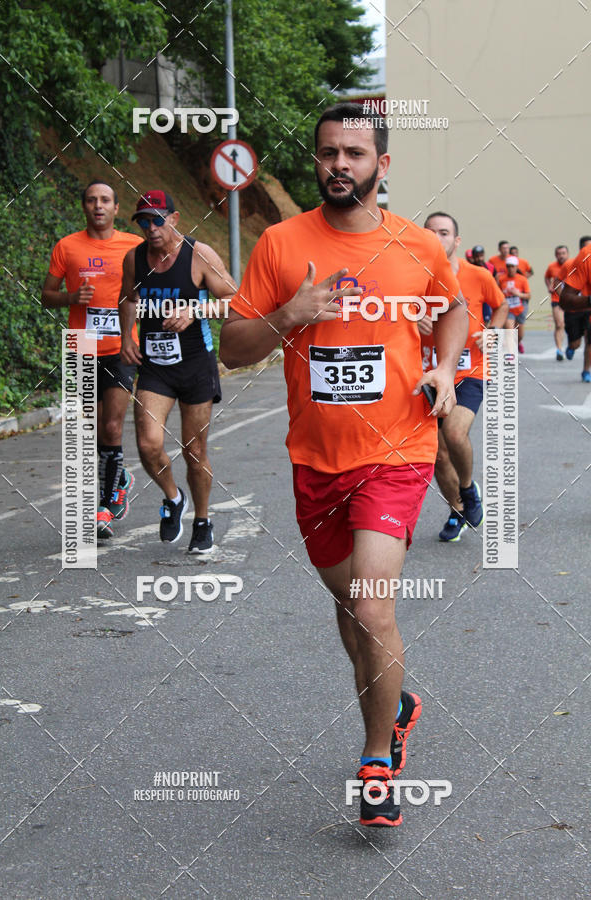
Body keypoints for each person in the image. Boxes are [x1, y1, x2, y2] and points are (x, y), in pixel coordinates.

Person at [220, 103, 468, 827]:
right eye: (329, 152)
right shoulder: (281, 242)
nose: (339, 165)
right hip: (316, 460)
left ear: (381, 166)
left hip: (397, 449)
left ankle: (376, 762)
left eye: (354, 154)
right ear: (316, 160)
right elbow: (232, 348)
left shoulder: (417, 244)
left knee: (370, 604)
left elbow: (454, 308)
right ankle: (396, 702)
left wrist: (445, 367)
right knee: (350, 610)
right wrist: (287, 315)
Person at [119, 191, 236, 551]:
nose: (151, 228)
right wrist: (126, 336)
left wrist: (195, 311)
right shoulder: (135, 258)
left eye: (157, 219)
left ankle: (202, 520)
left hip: (196, 364)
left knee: (194, 450)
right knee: (147, 444)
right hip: (155, 366)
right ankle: (173, 498)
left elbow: (236, 301)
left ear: (174, 219)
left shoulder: (199, 255)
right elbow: (128, 299)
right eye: (143, 221)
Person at [41, 180, 143, 538]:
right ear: (84, 207)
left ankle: (104, 506)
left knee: (111, 427)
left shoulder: (135, 245)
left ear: (116, 208)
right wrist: (70, 298)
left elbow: (155, 286)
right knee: (86, 430)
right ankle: (119, 477)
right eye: (91, 200)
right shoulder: (67, 247)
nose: (98, 205)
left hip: (121, 346)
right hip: (80, 345)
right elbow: (46, 296)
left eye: (105, 200)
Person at [420, 213, 508, 542]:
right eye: (430, 232)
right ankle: (456, 511)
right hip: (427, 373)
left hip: (469, 370)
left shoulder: (478, 275)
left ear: (456, 241)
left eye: (443, 232)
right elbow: (391, 315)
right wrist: (411, 320)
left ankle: (469, 490)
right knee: (438, 454)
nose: (436, 237)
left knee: (455, 434)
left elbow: (501, 306)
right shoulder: (412, 275)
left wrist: (492, 331)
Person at [558, 236, 591, 382]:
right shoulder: (576, 261)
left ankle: (586, 370)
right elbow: (558, 282)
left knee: (589, 342)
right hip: (576, 308)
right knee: (576, 343)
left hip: (587, 310)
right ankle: (571, 347)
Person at [499, 256, 530, 347]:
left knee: (520, 336)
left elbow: (528, 295)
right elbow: (498, 293)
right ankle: (510, 352)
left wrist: (518, 294)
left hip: (520, 309)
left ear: (516, 267)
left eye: (512, 266)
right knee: (509, 331)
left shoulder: (522, 279)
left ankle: (515, 345)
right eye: (508, 266)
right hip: (508, 310)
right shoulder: (501, 279)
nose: (510, 269)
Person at [544, 245, 569, 361]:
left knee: (569, 325)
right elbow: (546, 277)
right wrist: (549, 286)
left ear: (567, 254)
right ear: (555, 255)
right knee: (559, 324)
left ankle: (571, 345)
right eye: (559, 254)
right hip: (556, 300)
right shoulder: (552, 267)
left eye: (563, 253)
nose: (561, 256)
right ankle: (559, 349)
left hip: (571, 300)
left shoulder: (573, 265)